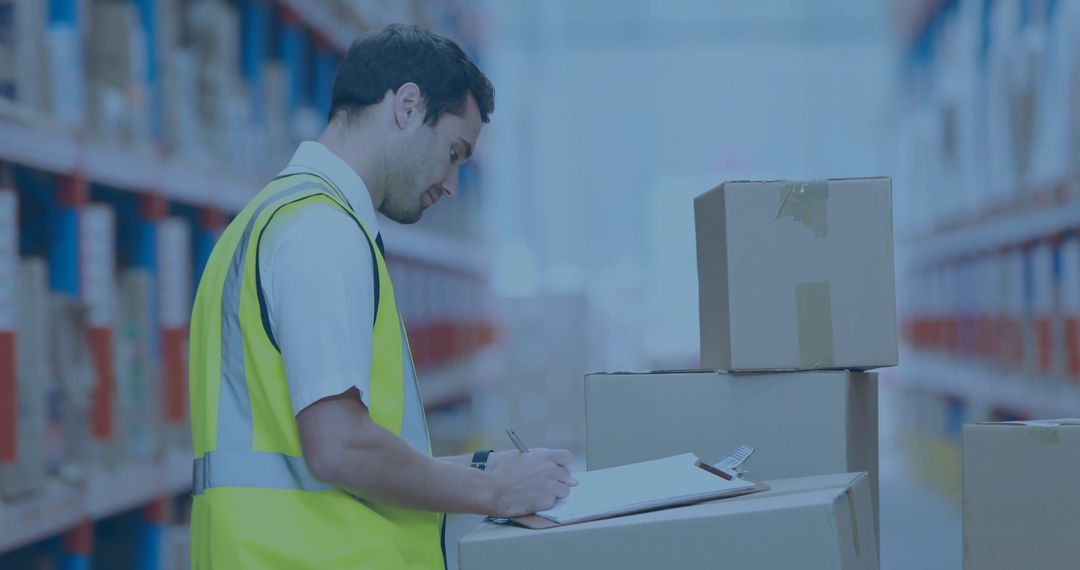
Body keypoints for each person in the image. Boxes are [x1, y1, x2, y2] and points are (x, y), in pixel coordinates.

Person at [188, 24, 577, 569]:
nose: (451, 184)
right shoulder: (320, 231)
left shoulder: (270, 218)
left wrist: (486, 469)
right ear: (408, 106)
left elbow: (310, 450)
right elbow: (338, 446)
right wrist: (495, 494)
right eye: (453, 152)